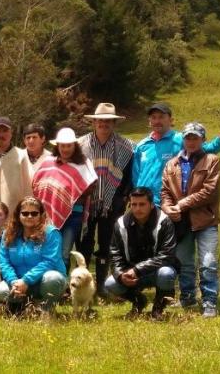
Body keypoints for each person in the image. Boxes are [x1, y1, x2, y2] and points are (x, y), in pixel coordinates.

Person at [160, 122, 220, 317]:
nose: (191, 141)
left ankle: (210, 302)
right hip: (180, 222)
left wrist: (181, 205)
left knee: (208, 262)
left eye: (196, 137)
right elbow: (165, 192)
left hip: (206, 220)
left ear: (203, 140)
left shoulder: (212, 160)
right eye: (188, 137)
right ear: (183, 139)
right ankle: (187, 298)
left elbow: (209, 192)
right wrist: (168, 208)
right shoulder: (172, 164)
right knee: (185, 263)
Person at [77, 102, 135, 298]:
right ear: (94, 122)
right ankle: (84, 283)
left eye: (108, 121)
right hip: (86, 202)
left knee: (107, 244)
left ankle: (101, 285)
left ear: (114, 123)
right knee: (84, 243)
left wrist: (124, 196)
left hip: (113, 203)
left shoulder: (125, 146)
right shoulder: (80, 144)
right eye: (100, 120)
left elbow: (128, 174)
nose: (104, 124)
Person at [105, 187, 180, 320]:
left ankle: (158, 308)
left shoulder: (164, 221)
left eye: (142, 204)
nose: (137, 208)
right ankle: (139, 301)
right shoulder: (121, 223)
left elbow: (167, 255)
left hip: (156, 271)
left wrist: (137, 270)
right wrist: (121, 275)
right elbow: (114, 254)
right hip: (131, 275)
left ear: (151, 205)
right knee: (110, 284)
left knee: (166, 274)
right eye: (134, 204)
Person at [132, 102, 220, 207]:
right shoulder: (142, 145)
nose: (157, 121)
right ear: (149, 121)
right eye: (153, 118)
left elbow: (207, 150)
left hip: (167, 202)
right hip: (143, 203)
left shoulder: (181, 139)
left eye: (161, 117)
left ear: (171, 120)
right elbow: (135, 174)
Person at [32, 128, 96, 268]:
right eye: (62, 146)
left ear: (75, 146)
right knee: (46, 251)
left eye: (69, 146)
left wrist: (70, 192)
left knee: (64, 254)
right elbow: (37, 184)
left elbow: (91, 185)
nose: (66, 149)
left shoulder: (83, 163)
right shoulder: (49, 162)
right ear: (57, 146)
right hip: (48, 215)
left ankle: (62, 286)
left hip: (74, 215)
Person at [0, 196, 66, 317]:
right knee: (0, 292)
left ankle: (47, 311)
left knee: (52, 278)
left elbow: (49, 262)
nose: (29, 216)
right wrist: (14, 281)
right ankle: (23, 307)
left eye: (34, 213)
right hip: (18, 283)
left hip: (43, 283)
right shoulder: (8, 234)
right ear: (18, 215)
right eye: (25, 213)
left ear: (41, 215)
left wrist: (26, 280)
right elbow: (4, 262)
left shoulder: (51, 233)